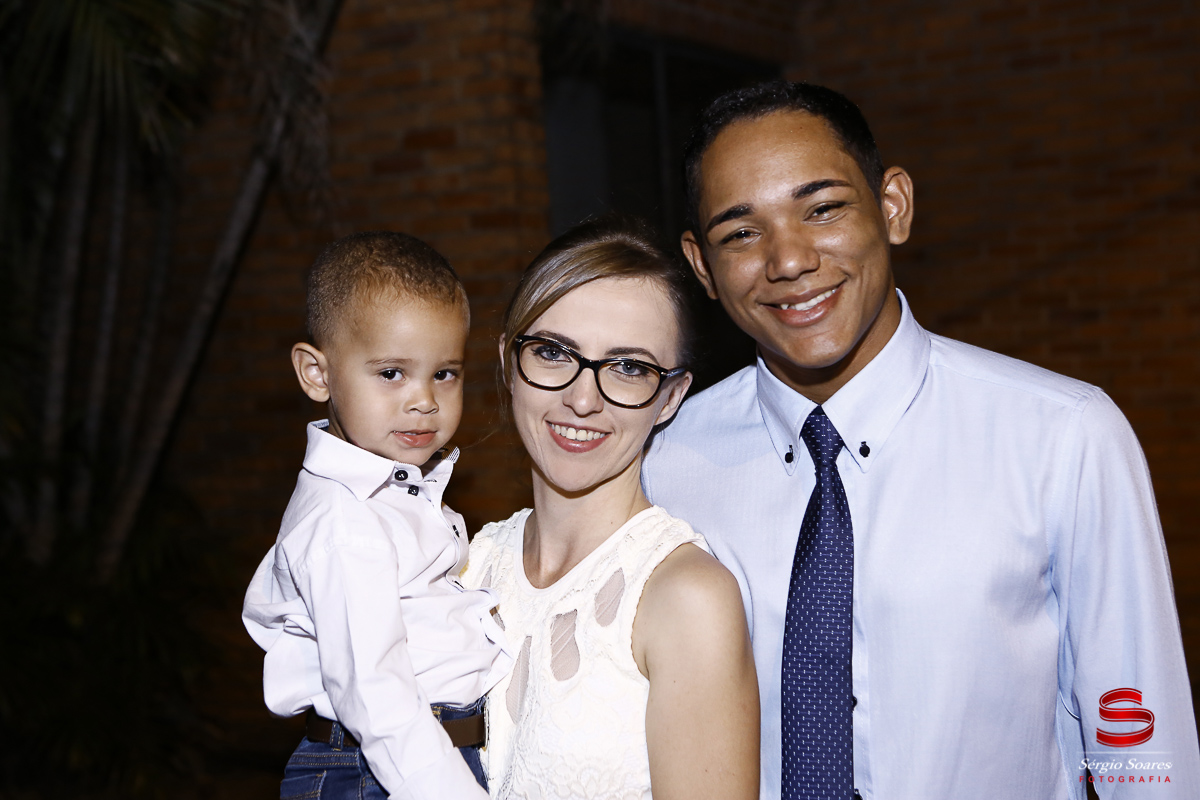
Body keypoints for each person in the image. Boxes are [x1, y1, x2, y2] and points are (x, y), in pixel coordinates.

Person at [642, 80, 1200, 799]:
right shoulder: (664, 463)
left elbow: (1141, 742)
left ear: (892, 206)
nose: (788, 260)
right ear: (701, 268)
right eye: (741, 233)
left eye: (822, 208)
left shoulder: (1061, 437)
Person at [461, 217, 760, 800]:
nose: (581, 397)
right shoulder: (463, 566)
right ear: (507, 362)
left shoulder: (685, 597)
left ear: (670, 397)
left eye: (628, 367)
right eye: (553, 352)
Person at [242, 232, 512, 800]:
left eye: (445, 373)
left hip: (416, 759)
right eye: (392, 373)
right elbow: (373, 690)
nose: (424, 400)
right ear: (317, 375)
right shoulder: (345, 520)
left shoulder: (393, 494)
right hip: (373, 772)